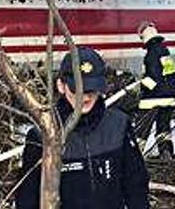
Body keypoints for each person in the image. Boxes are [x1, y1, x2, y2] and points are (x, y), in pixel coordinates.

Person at [16, 47, 149, 209]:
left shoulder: (119, 125)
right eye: (77, 89)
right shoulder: (42, 135)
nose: (85, 97)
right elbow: (27, 197)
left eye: (91, 89)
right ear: (61, 85)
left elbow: (136, 185)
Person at [135, 22, 175, 160]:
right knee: (163, 128)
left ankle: (135, 156)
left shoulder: (151, 55)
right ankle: (166, 153)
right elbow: (169, 75)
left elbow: (153, 78)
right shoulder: (165, 52)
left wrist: (141, 85)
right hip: (169, 97)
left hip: (152, 99)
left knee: (141, 130)